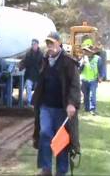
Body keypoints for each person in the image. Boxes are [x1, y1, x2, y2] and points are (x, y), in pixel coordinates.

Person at [32, 32, 81, 176]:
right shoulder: (45, 60)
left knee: (61, 140)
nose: (49, 46)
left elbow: (74, 85)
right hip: (45, 107)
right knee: (45, 133)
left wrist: (72, 103)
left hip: (62, 109)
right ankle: (46, 169)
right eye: (48, 43)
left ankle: (61, 171)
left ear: (59, 43)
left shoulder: (68, 62)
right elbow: (41, 82)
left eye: (52, 43)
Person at [79, 45, 104, 115]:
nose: (85, 52)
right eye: (85, 51)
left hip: (93, 80)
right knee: (85, 95)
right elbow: (79, 70)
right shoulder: (83, 59)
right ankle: (87, 108)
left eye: (87, 51)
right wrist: (82, 64)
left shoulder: (98, 59)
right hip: (84, 80)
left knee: (92, 95)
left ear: (91, 52)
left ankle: (92, 109)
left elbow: (101, 68)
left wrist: (101, 77)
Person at [19, 38, 44, 107]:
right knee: (28, 87)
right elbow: (24, 61)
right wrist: (20, 66)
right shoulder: (28, 53)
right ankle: (30, 102)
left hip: (37, 74)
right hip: (29, 74)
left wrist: (42, 72)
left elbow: (43, 64)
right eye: (32, 44)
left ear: (37, 45)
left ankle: (36, 101)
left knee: (37, 89)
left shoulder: (41, 54)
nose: (33, 46)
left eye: (35, 44)